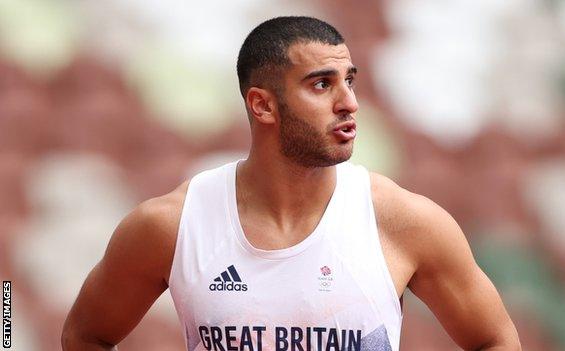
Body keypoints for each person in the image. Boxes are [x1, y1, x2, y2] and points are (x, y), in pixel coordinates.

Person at [62, 16, 521, 351]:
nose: (350, 103)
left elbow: (495, 340)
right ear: (262, 105)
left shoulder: (404, 220)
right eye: (322, 85)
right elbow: (85, 335)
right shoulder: (172, 224)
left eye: (349, 81)